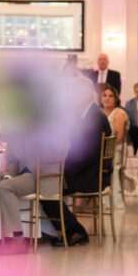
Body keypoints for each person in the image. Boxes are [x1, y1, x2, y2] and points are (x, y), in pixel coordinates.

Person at [41, 78, 112, 247]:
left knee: (46, 188)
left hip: (90, 176)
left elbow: (88, 155)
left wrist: (63, 167)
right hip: (89, 171)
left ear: (86, 94)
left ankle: (75, 230)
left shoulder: (94, 117)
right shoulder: (87, 114)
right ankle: (65, 229)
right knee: (47, 184)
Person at [100, 84, 130, 207]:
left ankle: (109, 201)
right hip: (101, 150)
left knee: (100, 163)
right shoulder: (99, 112)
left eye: (110, 96)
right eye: (104, 95)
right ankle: (91, 198)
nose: (107, 98)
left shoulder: (119, 113)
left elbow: (117, 138)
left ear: (116, 99)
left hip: (115, 151)